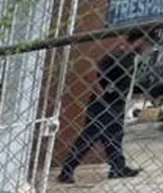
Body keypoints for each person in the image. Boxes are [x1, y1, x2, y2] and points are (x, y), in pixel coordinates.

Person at [57, 30, 153, 183]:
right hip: (103, 104)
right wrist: (99, 91)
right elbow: (91, 72)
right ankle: (66, 171)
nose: (148, 48)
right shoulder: (117, 56)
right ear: (139, 41)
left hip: (116, 104)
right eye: (147, 44)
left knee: (115, 136)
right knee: (89, 138)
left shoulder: (129, 58)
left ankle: (118, 168)